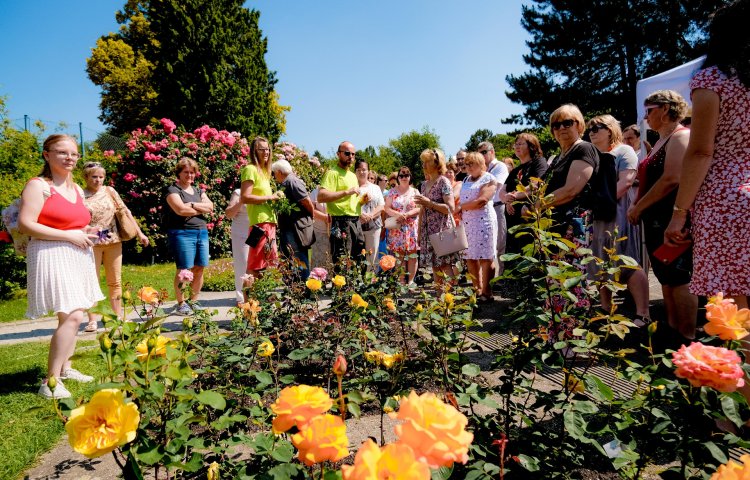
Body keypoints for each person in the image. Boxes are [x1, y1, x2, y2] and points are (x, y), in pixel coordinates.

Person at [666, 0, 750, 309]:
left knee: (734, 310)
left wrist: (678, 215)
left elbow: (701, 152)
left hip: (726, 200)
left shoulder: (713, 80)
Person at [19, 134, 105, 398]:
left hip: (77, 252)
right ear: (47, 154)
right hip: (51, 252)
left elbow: (74, 223)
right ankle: (50, 382)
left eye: (74, 154)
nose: (70, 158)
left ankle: (66, 368)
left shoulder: (76, 189)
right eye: (63, 152)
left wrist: (88, 230)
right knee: (73, 315)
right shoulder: (38, 186)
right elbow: (26, 224)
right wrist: (70, 235)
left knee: (74, 313)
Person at [627, 90, 697, 339]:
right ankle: (673, 330)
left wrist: (639, 206)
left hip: (671, 218)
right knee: (666, 277)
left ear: (665, 109)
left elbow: (671, 179)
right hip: (657, 219)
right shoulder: (660, 141)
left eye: (649, 110)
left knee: (679, 277)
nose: (646, 117)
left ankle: (687, 337)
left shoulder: (680, 136)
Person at [587, 115, 650, 323]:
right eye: (590, 128)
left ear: (611, 129)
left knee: (628, 261)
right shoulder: (593, 154)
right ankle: (606, 309)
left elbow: (626, 182)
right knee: (599, 261)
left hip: (618, 211)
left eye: (599, 127)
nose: (593, 131)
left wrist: (601, 202)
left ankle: (643, 312)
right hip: (598, 215)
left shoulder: (624, 150)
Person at [82, 162, 149, 330]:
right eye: (94, 177)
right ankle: (92, 320)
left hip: (113, 241)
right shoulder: (80, 194)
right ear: (86, 177)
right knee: (91, 281)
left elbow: (125, 211)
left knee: (115, 281)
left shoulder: (110, 191)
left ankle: (118, 316)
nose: (98, 180)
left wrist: (140, 233)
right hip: (91, 242)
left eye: (101, 177)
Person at [165, 157, 214, 315]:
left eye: (192, 172)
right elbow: (180, 210)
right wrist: (201, 208)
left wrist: (192, 205)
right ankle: (181, 303)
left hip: (201, 231)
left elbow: (211, 207)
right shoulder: (173, 190)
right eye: (186, 172)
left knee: (199, 268)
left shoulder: (199, 191)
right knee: (184, 269)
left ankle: (194, 301)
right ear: (178, 173)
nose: (190, 175)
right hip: (182, 232)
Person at [272, 159, 324, 280]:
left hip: (295, 228)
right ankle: (296, 288)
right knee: (292, 258)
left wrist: (311, 216)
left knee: (299, 257)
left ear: (279, 172)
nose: (274, 176)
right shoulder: (287, 182)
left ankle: (304, 289)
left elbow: (306, 201)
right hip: (291, 227)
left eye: (274, 173)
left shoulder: (292, 182)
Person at [414, 149, 460, 285]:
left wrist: (430, 203)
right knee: (435, 267)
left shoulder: (443, 182)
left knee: (445, 266)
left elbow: (450, 208)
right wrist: (419, 231)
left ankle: (450, 301)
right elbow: (422, 210)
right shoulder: (423, 185)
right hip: (428, 231)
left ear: (436, 163)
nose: (423, 165)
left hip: (442, 230)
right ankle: (440, 302)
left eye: (426, 162)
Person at [317, 141, 365, 267]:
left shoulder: (352, 175)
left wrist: (362, 201)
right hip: (340, 221)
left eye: (354, 154)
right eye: (347, 153)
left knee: (358, 259)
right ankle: (341, 286)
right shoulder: (332, 173)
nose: (351, 157)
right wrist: (346, 192)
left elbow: (351, 200)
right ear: (338, 154)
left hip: (355, 220)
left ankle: (354, 287)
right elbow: (321, 197)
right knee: (342, 260)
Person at [458, 152, 498, 302]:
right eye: (466, 164)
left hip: (483, 221)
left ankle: (487, 292)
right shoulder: (466, 179)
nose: (468, 167)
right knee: (470, 257)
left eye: (471, 164)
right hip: (468, 223)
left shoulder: (488, 178)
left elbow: (482, 200)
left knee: (486, 257)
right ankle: (477, 289)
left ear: (481, 164)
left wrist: (460, 208)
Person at [241, 136, 280, 279]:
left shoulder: (264, 172)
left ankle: (258, 299)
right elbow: (245, 197)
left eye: (268, 149)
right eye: (261, 149)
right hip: (258, 225)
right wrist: (270, 197)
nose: (266, 152)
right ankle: (249, 300)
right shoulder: (250, 169)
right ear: (254, 151)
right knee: (254, 266)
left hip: (269, 222)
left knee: (265, 265)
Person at [503, 133, 548, 254]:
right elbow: (502, 190)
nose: (516, 146)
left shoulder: (539, 162)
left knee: (530, 256)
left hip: (529, 219)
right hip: (513, 222)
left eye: (521, 144)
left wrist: (514, 196)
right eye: (515, 144)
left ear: (531, 146)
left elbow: (536, 184)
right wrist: (507, 199)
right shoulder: (516, 170)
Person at [384, 166, 420, 285]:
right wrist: (399, 214)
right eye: (401, 175)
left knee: (412, 255)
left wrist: (408, 214)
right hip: (397, 227)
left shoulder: (415, 191)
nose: (404, 177)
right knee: (399, 254)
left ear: (410, 177)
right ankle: (401, 280)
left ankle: (410, 281)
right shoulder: (392, 191)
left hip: (411, 227)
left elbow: (420, 208)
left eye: (407, 175)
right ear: (398, 177)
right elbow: (386, 208)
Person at [478, 141, 509, 277]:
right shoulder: (482, 170)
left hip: (498, 207)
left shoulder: (499, 166)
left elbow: (494, 186)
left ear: (492, 152)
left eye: (484, 152)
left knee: (500, 244)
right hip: (484, 209)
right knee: (486, 245)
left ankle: (501, 277)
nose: (482, 155)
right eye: (479, 153)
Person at [355, 160, 385, 269]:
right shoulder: (353, 188)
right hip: (356, 227)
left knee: (372, 257)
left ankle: (371, 282)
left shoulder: (375, 188)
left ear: (368, 171)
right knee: (356, 257)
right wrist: (360, 215)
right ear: (355, 172)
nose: (362, 172)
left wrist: (370, 215)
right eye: (359, 170)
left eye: (364, 170)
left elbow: (381, 205)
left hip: (374, 227)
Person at [225, 187, 250, 304]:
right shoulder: (238, 192)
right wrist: (241, 201)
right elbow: (229, 214)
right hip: (241, 233)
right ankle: (241, 297)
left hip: (258, 232)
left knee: (257, 265)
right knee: (243, 263)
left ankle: (255, 294)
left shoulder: (262, 190)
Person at [309, 186, 331, 270]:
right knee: (318, 258)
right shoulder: (315, 192)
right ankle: (317, 278)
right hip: (319, 229)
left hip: (334, 229)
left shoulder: (338, 190)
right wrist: (325, 217)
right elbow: (311, 208)